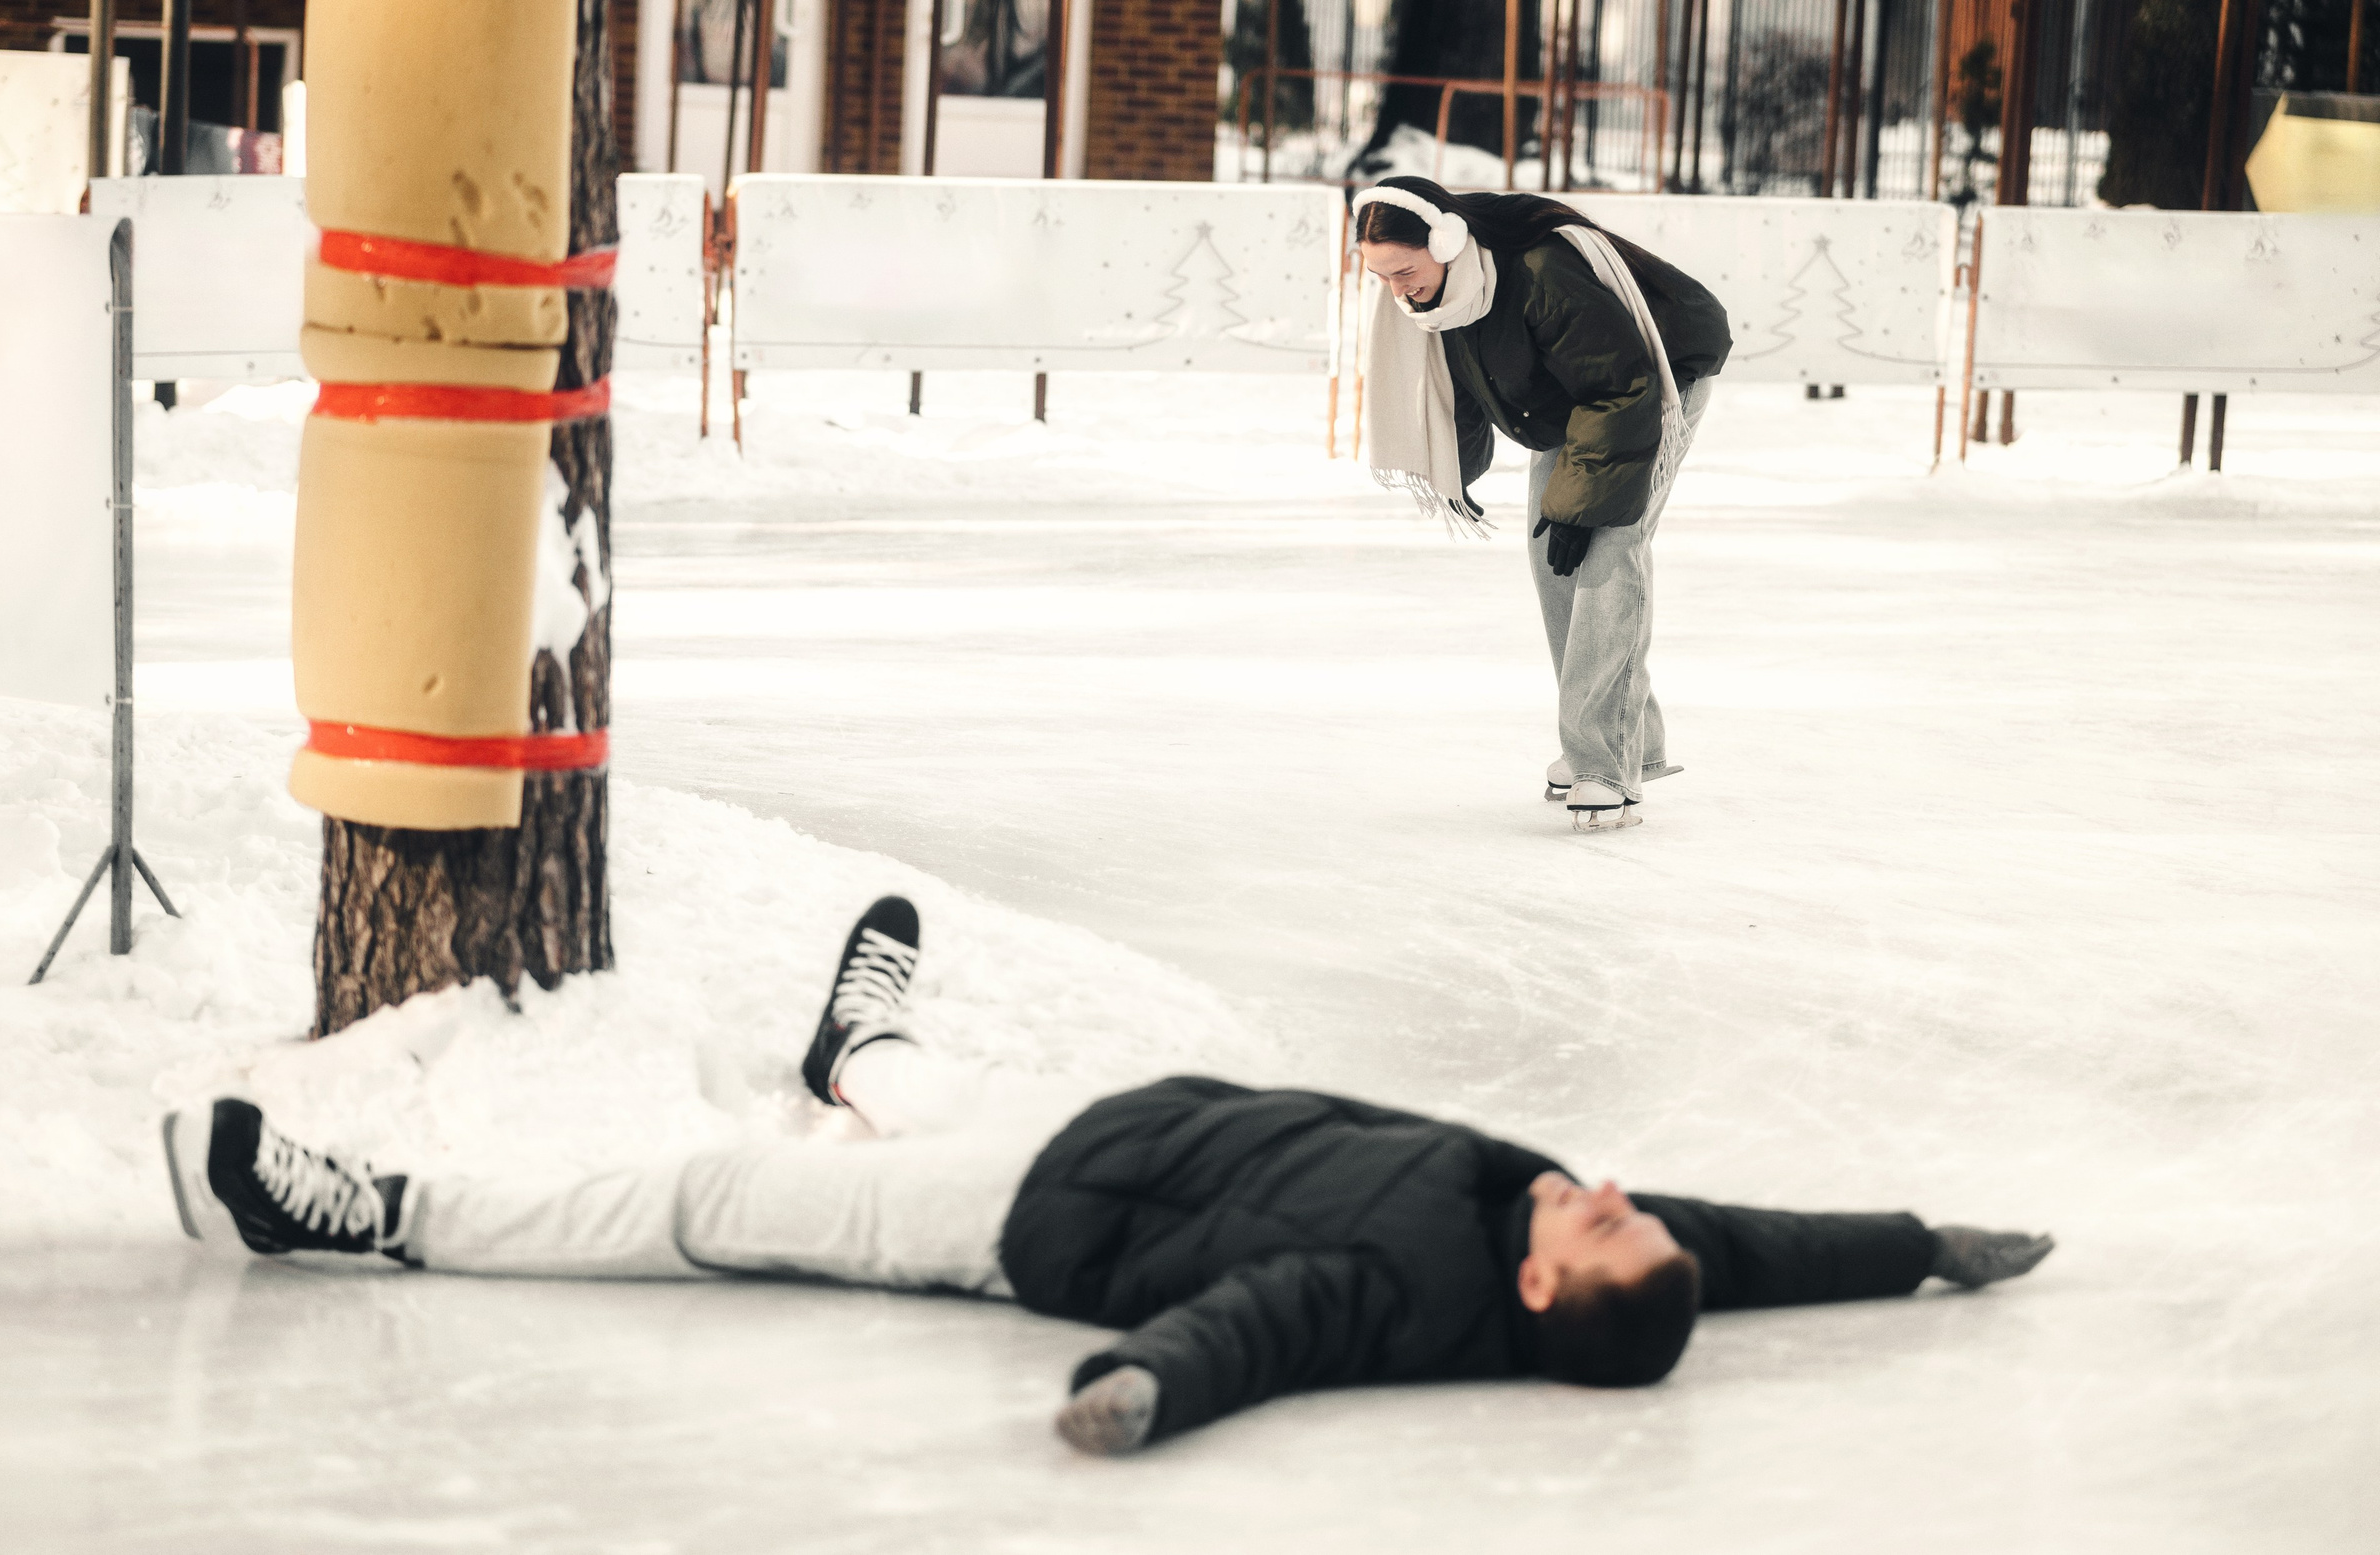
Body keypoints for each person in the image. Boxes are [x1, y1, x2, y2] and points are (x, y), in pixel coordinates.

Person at [162, 898, 2055, 1455]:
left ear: (1552, 1293)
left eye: (1611, 1217)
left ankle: (364, 1211)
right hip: (1123, 1118)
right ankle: (859, 1046)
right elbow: (1751, 1243)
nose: (1622, 1184)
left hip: (1020, 1222)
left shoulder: (1415, 1295)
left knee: (702, 1204)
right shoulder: (1555, 1216)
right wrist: (1924, 1247)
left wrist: (1138, 1388)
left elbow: (1261, 1320)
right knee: (911, 1082)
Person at [1352, 176, 1733, 831]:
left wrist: (1583, 506)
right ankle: (1624, 742)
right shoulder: (1444, 301)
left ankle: (1604, 765)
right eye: (1380, 276)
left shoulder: (1539, 273)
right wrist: (1458, 472)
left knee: (1610, 546)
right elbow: (1465, 393)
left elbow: (1622, 383)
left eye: (1404, 270)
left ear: (1445, 243)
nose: (1397, 290)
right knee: (1550, 553)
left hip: (1653, 381)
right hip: (1572, 403)